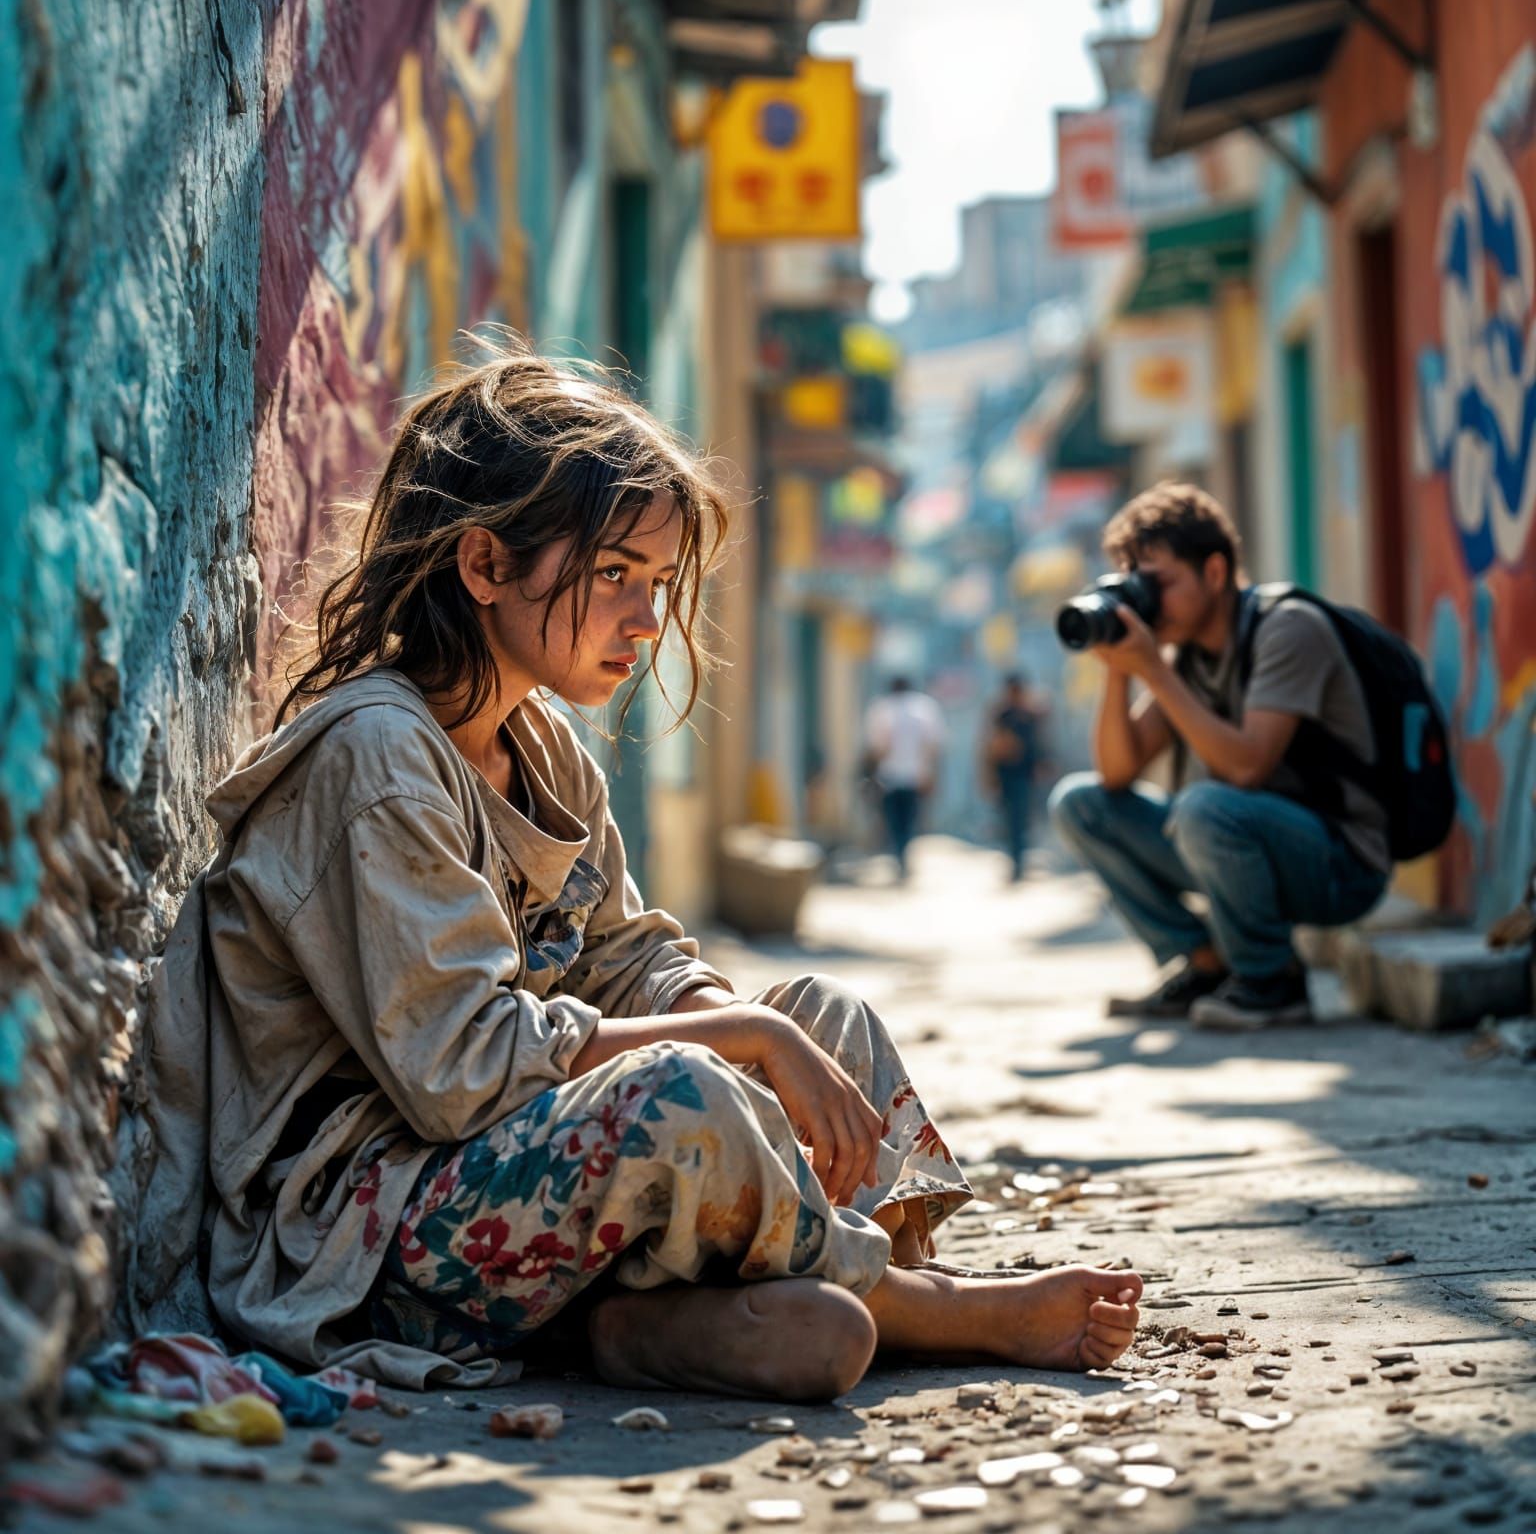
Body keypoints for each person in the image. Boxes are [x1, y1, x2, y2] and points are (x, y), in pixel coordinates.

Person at [132, 345, 1141, 1404]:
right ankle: (933, 1314)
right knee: (688, 1088)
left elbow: (624, 953)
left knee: (823, 1015)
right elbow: (465, 1069)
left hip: (515, 1183)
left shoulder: (544, 744)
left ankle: (690, 1321)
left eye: (658, 584)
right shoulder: (375, 761)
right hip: (369, 1239)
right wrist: (742, 1042)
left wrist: (747, 1023)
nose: (647, 620)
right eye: (614, 574)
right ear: (484, 566)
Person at [1049, 482, 1389, 1031]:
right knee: (1079, 803)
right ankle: (1208, 966)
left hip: (1339, 862)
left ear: (1213, 571)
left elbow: (1247, 766)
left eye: (1158, 583)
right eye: (1136, 586)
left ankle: (1272, 981)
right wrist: (1119, 666)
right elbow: (1117, 772)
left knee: (1205, 805)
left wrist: (1154, 670)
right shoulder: (1182, 656)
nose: (1149, 603)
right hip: (1238, 842)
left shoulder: (1287, 629)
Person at [862, 676, 944, 881]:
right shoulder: (925, 708)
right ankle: (902, 856)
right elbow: (933, 746)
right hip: (915, 775)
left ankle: (900, 857)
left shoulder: (881, 709)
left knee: (894, 821)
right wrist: (931, 773)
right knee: (908, 820)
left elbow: (876, 747)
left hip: (889, 776)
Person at [984, 672, 1047, 882]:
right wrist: (990, 775)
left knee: (1022, 819)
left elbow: (1039, 743)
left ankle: (1019, 861)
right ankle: (1015, 861)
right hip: (1007, 775)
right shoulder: (1002, 715)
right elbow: (992, 747)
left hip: (1025, 775)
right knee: (1010, 820)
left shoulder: (1031, 714)